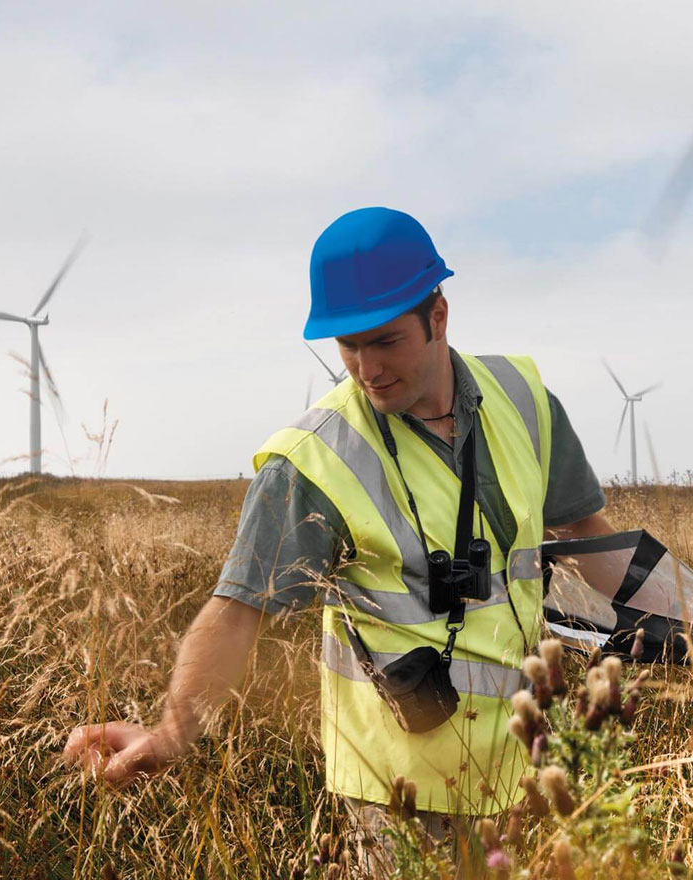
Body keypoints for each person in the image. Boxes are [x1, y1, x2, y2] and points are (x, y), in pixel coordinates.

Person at [62, 207, 615, 872]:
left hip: (529, 766)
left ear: (438, 317)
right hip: (402, 795)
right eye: (347, 346)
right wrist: (173, 733)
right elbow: (237, 612)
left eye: (384, 342)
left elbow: (588, 540)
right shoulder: (314, 460)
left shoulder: (524, 401)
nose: (365, 369)